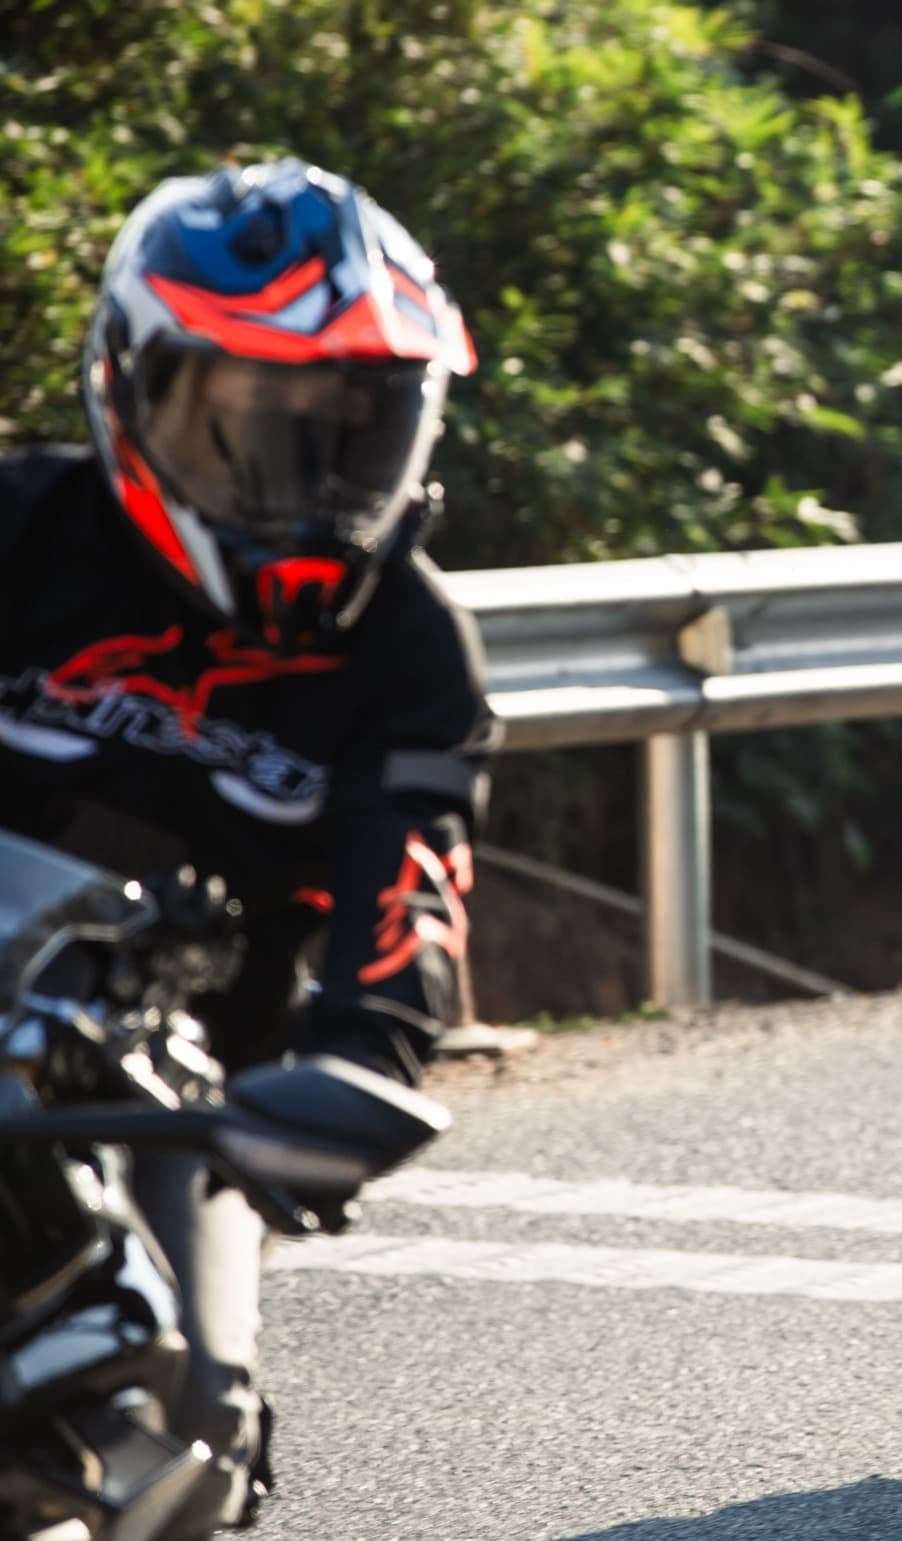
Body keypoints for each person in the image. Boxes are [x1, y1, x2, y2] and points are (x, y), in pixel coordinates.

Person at [0, 158, 491, 1533]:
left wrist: (359, 1061)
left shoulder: (411, 646)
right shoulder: (20, 533)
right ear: (127, 388)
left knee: (188, 1429)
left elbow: (413, 892)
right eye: (256, 430)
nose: (307, 484)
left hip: (176, 1094)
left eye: (354, 434)